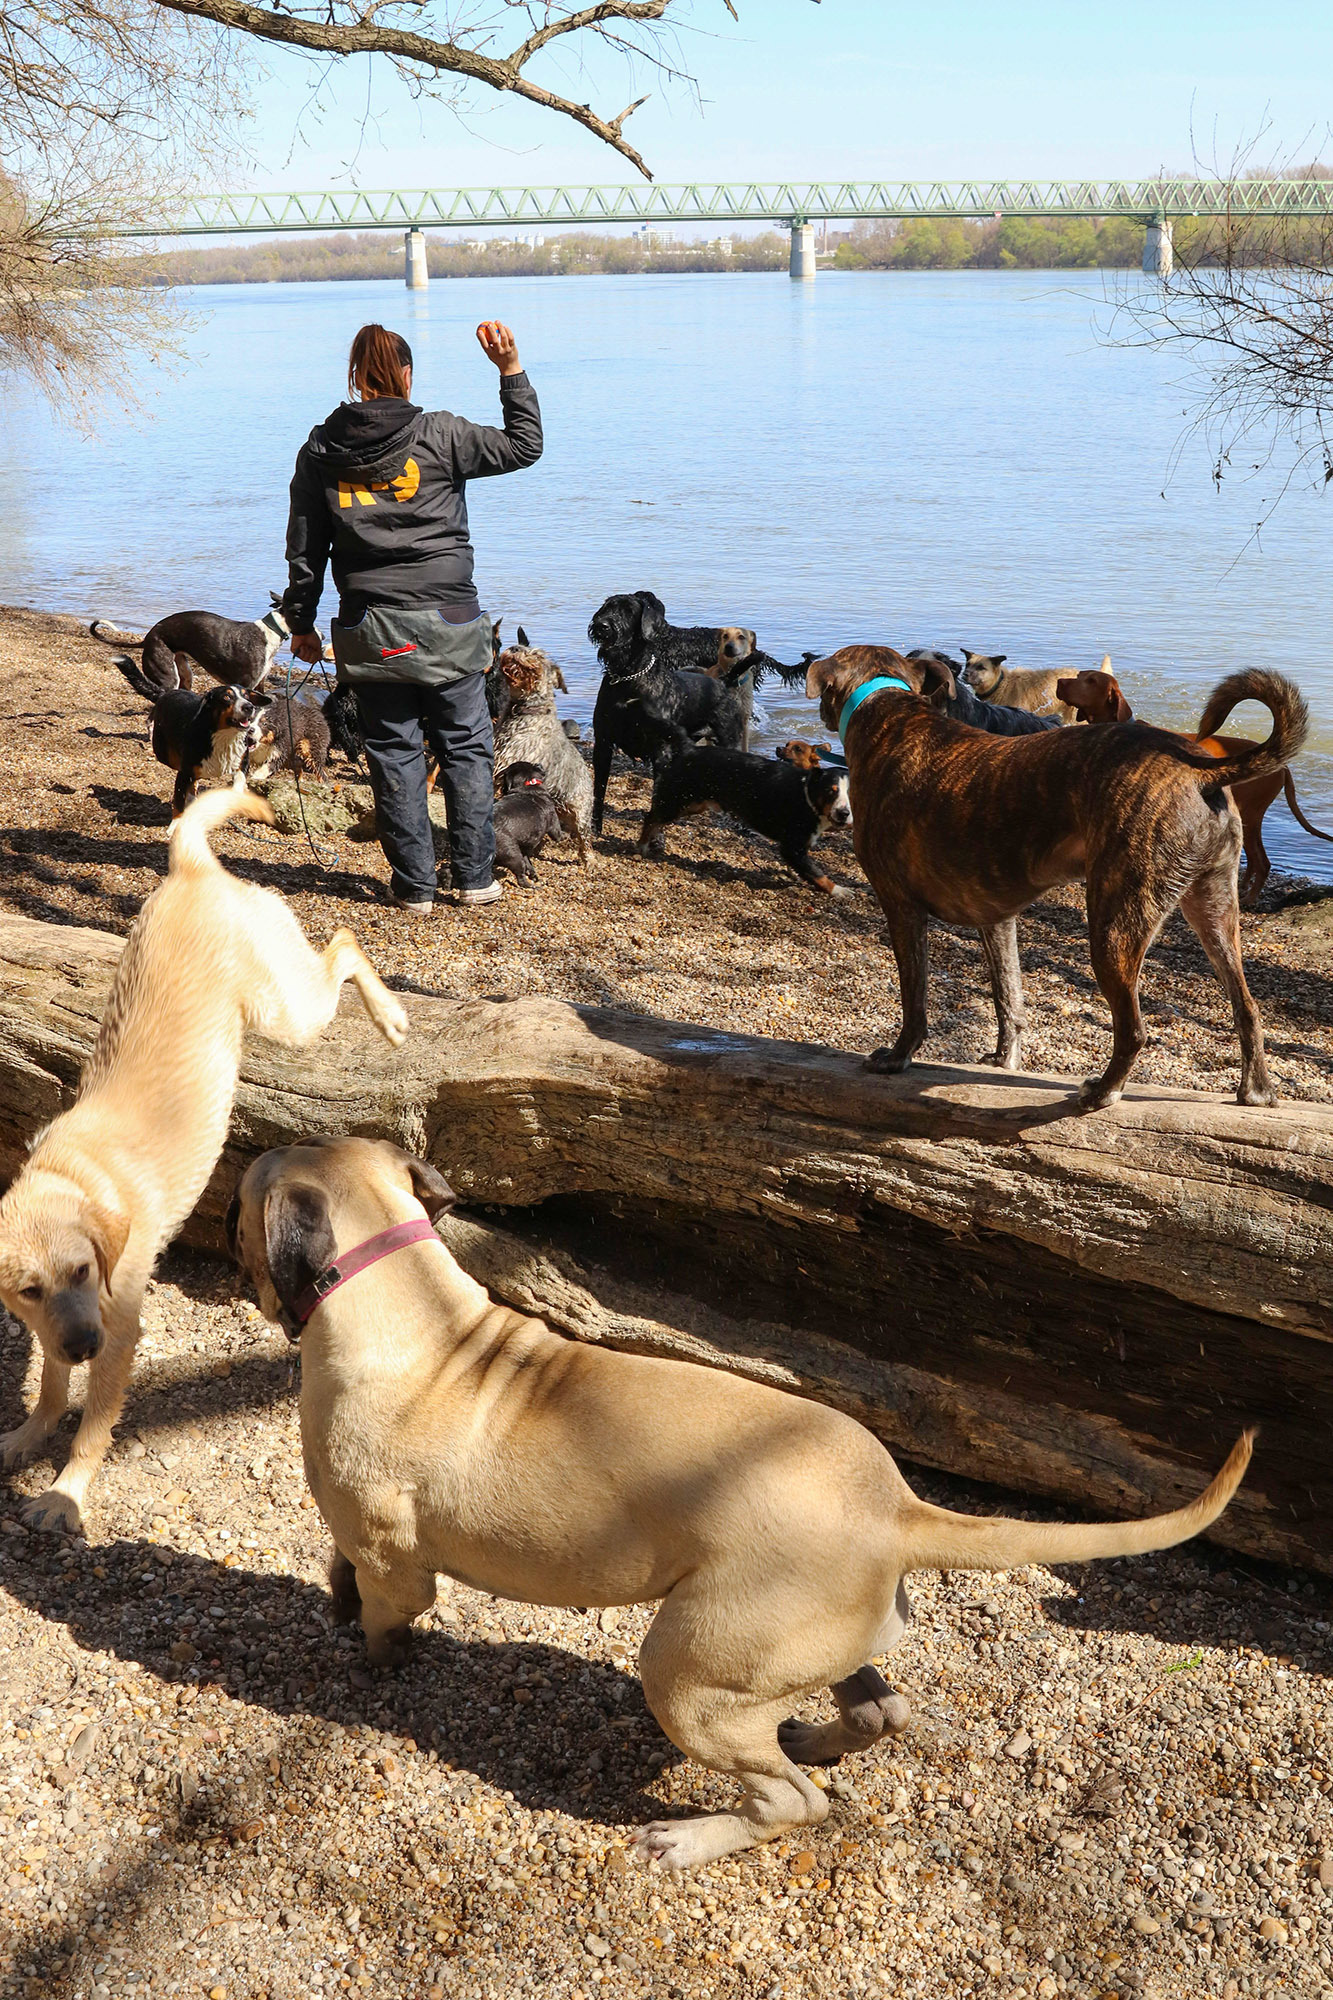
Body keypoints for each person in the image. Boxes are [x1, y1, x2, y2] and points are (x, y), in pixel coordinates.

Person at [282, 319, 542, 910]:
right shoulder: (440, 433)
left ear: (355, 376)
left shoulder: (321, 449)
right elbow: (524, 446)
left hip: (370, 628)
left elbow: (305, 548)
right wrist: (509, 370)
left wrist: (301, 623)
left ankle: (414, 887)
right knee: (466, 750)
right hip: (449, 623)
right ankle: (474, 879)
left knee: (393, 754)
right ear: (405, 374)